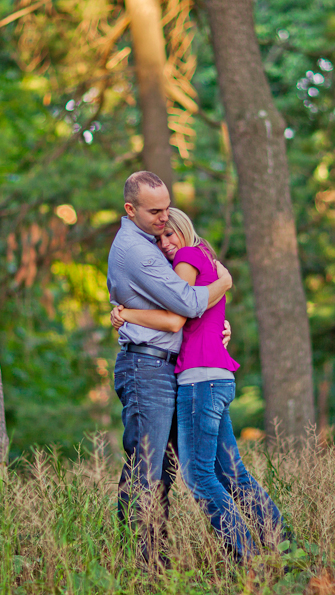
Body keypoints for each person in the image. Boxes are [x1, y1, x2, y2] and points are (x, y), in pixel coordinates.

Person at [111, 207, 287, 563]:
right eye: (159, 239)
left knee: (200, 476)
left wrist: (125, 313)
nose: (165, 244)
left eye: (170, 234)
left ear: (185, 230)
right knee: (232, 472)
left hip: (200, 380)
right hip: (217, 376)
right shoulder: (205, 259)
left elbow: (179, 315)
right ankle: (285, 549)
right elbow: (200, 315)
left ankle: (248, 560)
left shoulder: (188, 258)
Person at [107, 172, 233, 566]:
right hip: (145, 367)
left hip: (169, 368)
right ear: (131, 210)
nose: (164, 218)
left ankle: (157, 557)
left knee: (168, 467)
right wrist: (225, 281)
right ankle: (143, 564)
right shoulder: (137, 251)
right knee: (146, 466)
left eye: (167, 208)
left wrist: (215, 332)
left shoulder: (154, 247)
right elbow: (186, 306)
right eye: (155, 211)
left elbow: (185, 317)